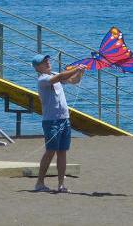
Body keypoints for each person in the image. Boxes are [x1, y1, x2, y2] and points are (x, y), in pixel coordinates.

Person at [31, 54, 85, 193]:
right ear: (38, 67)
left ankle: (61, 185)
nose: (48, 62)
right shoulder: (43, 79)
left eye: (47, 60)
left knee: (62, 152)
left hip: (64, 119)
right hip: (51, 121)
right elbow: (60, 77)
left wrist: (80, 72)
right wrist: (75, 68)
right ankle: (39, 183)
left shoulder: (54, 74)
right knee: (50, 151)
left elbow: (73, 81)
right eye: (44, 62)